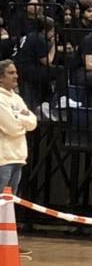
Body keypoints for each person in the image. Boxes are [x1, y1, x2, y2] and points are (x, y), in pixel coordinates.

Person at [0, 60, 37, 192]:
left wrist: (17, 117)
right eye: (11, 73)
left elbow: (33, 123)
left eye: (16, 72)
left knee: (9, 207)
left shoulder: (17, 98)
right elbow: (12, 128)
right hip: (3, 160)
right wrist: (23, 118)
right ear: (1, 78)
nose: (16, 76)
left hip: (18, 157)